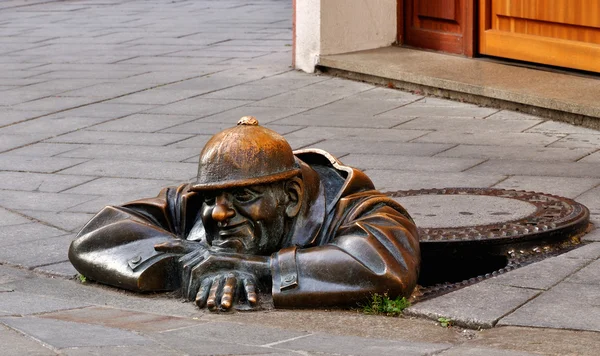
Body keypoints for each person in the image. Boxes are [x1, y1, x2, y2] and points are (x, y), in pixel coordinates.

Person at [69, 117, 420, 311]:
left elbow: (383, 265)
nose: (219, 213)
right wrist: (188, 261)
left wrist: (258, 269)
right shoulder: (197, 204)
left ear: (293, 197)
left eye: (243, 196)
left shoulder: (360, 208)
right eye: (212, 198)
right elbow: (97, 235)